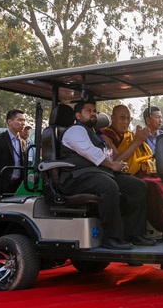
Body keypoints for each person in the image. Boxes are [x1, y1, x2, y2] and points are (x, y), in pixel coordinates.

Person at [58, 99, 153, 250]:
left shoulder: (93, 133)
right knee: (109, 185)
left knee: (138, 186)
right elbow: (89, 152)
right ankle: (111, 237)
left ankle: (135, 234)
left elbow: (106, 155)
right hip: (75, 177)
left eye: (95, 111)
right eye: (88, 111)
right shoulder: (75, 130)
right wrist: (111, 165)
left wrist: (117, 165)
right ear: (78, 115)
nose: (93, 114)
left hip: (96, 173)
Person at [100, 105, 163, 233]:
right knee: (149, 185)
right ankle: (162, 226)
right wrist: (137, 141)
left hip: (135, 172)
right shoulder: (106, 135)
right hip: (114, 174)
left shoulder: (129, 135)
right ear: (112, 118)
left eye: (128, 118)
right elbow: (116, 161)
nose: (126, 122)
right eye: (122, 118)